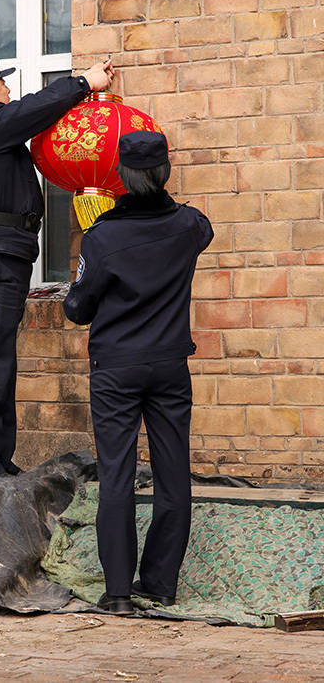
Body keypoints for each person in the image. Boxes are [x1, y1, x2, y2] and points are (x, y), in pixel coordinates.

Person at [0, 55, 115, 479]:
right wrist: (82, 83)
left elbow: (27, 115)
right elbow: (31, 110)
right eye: (3, 88)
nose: (9, 94)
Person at [63, 132, 214, 614]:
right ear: (165, 172)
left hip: (117, 369)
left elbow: (79, 309)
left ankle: (119, 593)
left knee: (117, 476)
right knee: (174, 477)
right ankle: (162, 584)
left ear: (121, 176)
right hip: (170, 365)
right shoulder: (190, 225)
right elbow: (200, 228)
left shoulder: (104, 236)